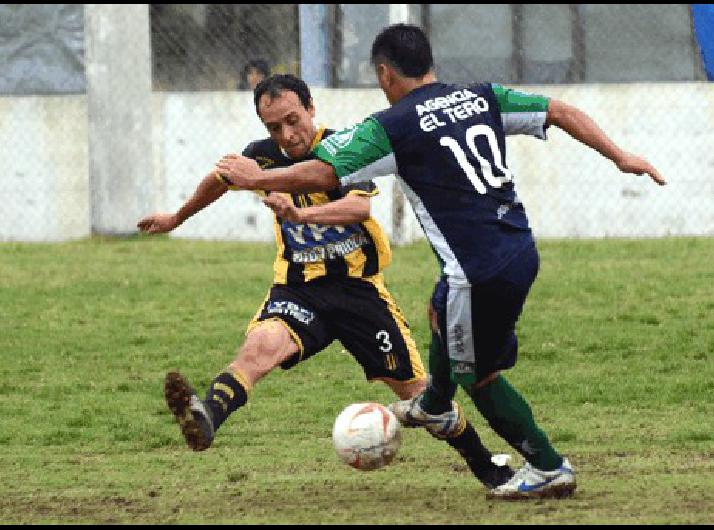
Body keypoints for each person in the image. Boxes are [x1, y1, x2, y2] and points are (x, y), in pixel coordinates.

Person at [214, 25, 666, 500]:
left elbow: (325, 172)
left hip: (477, 270)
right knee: (438, 307)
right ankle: (432, 403)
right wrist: (621, 156)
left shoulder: (392, 125)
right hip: (518, 248)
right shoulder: (482, 96)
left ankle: (548, 467)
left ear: (385, 73)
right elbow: (560, 110)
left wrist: (252, 179)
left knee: (479, 375)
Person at [137, 73, 513, 489]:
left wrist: (300, 215)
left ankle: (485, 466)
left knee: (418, 394)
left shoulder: (345, 148)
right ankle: (207, 416)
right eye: (274, 127)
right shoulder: (261, 157)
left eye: (293, 120)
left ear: (312, 108)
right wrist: (177, 216)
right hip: (299, 290)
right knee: (260, 347)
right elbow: (220, 179)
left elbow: (357, 210)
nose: (287, 134)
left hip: (360, 293)